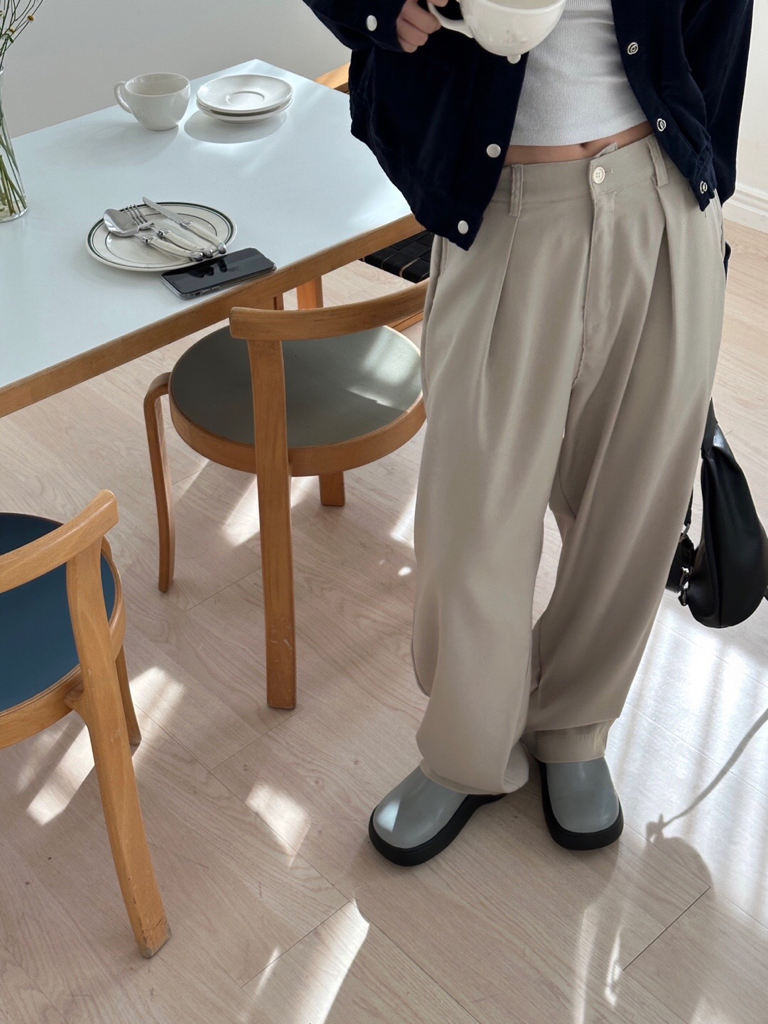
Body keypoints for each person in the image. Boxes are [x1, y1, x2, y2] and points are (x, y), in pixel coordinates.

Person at [302, 0, 754, 865]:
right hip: (504, 202)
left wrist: (706, 185)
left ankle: (574, 726)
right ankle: (467, 751)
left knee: (632, 509)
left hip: (659, 194)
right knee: (472, 517)